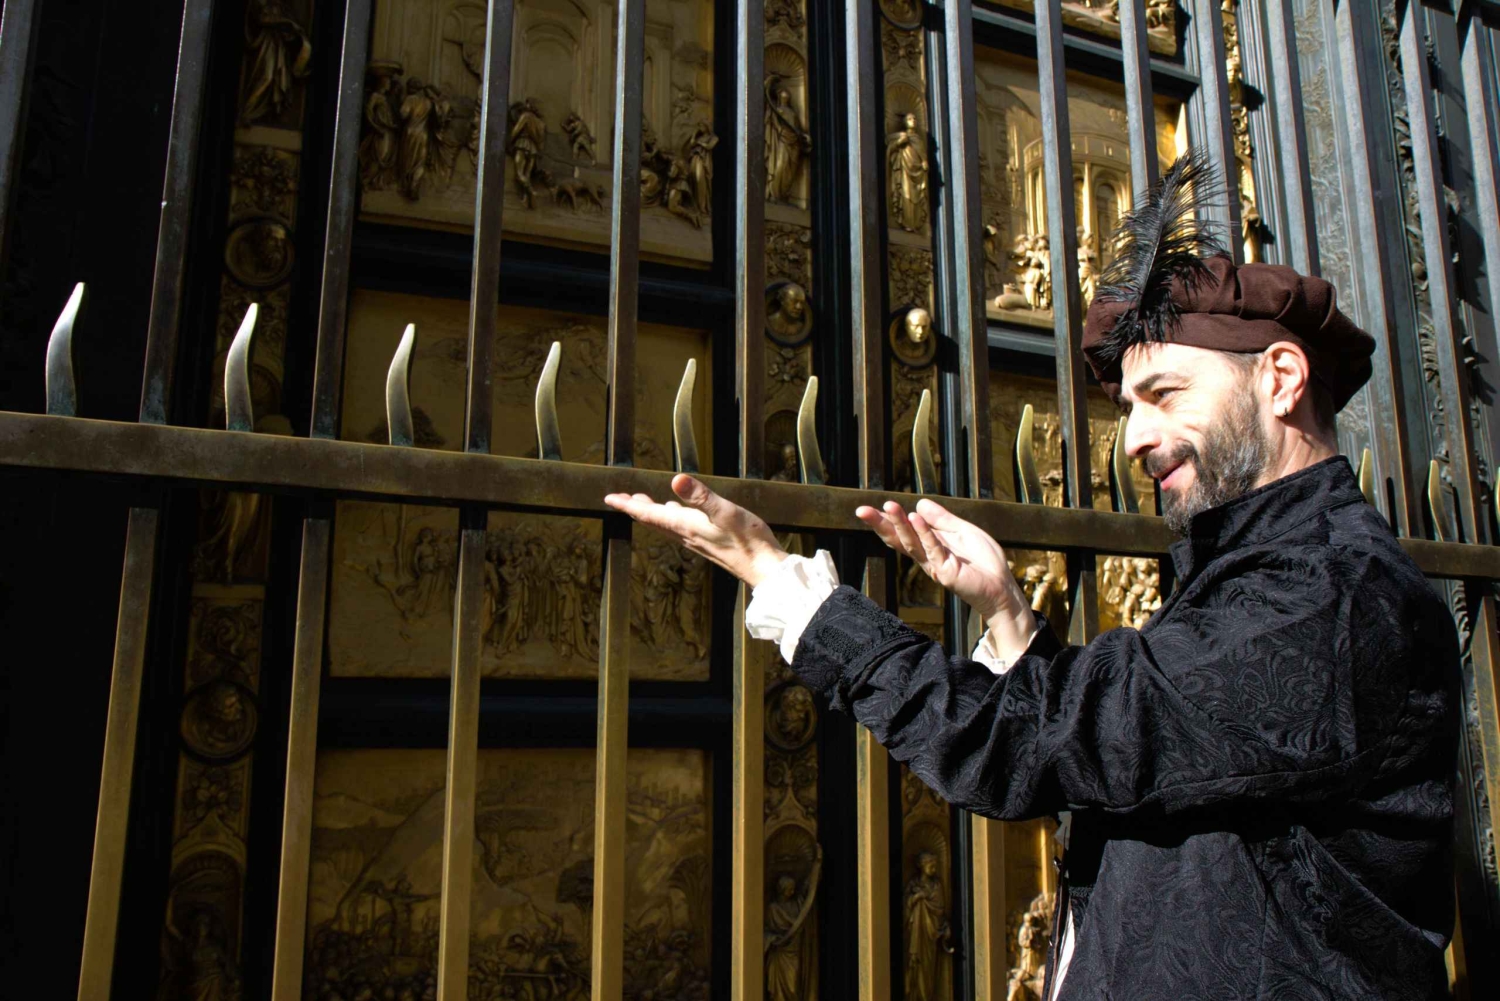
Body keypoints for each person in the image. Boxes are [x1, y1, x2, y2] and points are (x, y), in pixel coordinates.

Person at [603, 149, 1459, 999]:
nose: (1133, 438)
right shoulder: (1262, 575)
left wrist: (794, 593)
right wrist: (1009, 614)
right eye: (1128, 407)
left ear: (1280, 378)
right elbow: (1136, 755)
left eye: (1165, 393)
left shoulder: (1335, 595)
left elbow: (1047, 741)